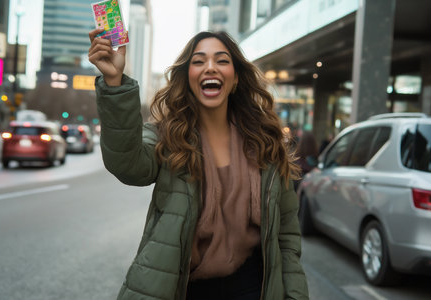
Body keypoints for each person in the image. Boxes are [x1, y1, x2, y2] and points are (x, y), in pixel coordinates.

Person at [88, 29, 309, 300]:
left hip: (254, 287)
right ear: (188, 77)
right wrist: (114, 82)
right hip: (185, 289)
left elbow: (287, 237)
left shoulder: (267, 144)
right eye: (199, 61)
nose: (210, 68)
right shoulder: (167, 137)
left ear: (236, 77)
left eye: (222, 60)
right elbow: (127, 164)